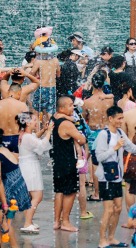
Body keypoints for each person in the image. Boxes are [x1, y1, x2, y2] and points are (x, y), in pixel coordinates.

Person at [94, 105, 136, 248]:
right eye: (119, 118)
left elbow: (132, 148)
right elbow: (99, 157)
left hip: (117, 176)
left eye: (122, 118)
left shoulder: (121, 132)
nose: (121, 121)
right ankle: (102, 240)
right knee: (108, 209)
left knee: (118, 209)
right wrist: (114, 148)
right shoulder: (103, 135)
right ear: (110, 118)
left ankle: (111, 237)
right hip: (106, 178)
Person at [0, 128, 32, 246]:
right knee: (1, 219)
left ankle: (12, 246)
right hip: (18, 186)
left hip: (10, 188)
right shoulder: (3, 149)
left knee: (2, 220)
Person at [50, 96, 86, 232]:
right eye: (70, 106)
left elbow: (58, 116)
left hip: (57, 161)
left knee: (59, 191)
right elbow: (81, 140)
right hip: (68, 162)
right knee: (70, 192)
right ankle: (65, 221)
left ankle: (56, 221)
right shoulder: (67, 124)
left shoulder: (54, 118)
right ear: (61, 108)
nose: (73, 108)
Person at [17, 112, 52, 233]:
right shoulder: (27, 136)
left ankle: (29, 221)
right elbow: (41, 145)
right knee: (37, 196)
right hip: (30, 168)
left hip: (25, 166)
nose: (36, 122)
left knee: (30, 197)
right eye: (34, 120)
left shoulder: (24, 135)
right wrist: (49, 132)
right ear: (27, 122)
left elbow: (34, 139)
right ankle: (27, 224)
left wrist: (43, 130)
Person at [81, 70, 114, 201]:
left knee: (95, 164)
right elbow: (111, 96)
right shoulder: (109, 100)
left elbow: (84, 118)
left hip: (94, 134)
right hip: (107, 132)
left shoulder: (88, 102)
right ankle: (110, 190)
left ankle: (97, 193)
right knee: (108, 161)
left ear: (92, 85)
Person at [0, 83, 29, 155]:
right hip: (17, 138)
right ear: (19, 92)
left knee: (4, 163)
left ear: (8, 91)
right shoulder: (22, 105)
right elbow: (28, 124)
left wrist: (2, 120)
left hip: (3, 139)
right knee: (18, 164)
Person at [30, 49, 61, 123]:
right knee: (49, 112)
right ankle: (50, 132)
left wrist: (37, 80)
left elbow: (30, 74)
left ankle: (38, 132)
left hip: (42, 87)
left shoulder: (38, 61)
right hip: (52, 88)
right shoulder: (55, 60)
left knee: (36, 112)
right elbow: (58, 75)